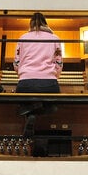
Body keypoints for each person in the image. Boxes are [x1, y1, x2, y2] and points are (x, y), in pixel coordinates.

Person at [13, 13, 62, 152]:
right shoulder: (54, 38)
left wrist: (22, 74)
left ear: (31, 24)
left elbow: (16, 62)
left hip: (26, 83)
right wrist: (54, 75)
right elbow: (58, 62)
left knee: (23, 101)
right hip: (49, 84)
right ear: (46, 23)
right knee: (53, 105)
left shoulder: (23, 38)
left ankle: (31, 112)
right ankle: (38, 108)